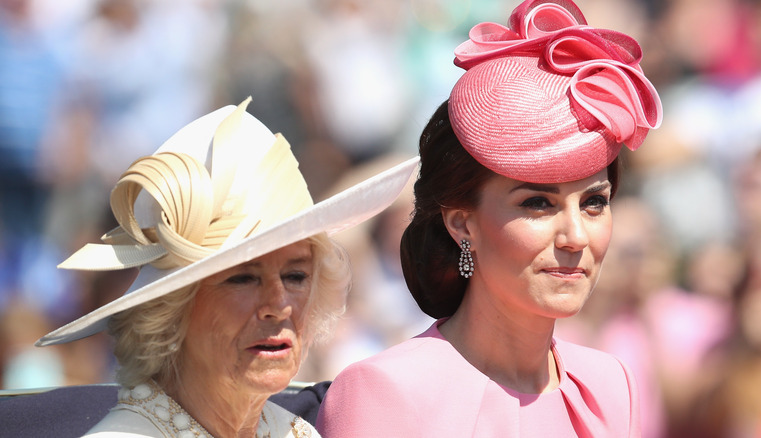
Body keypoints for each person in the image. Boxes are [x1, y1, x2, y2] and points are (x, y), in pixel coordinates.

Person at [316, 0, 662, 436]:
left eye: (594, 203)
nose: (576, 236)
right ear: (462, 223)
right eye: (538, 203)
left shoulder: (610, 384)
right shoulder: (384, 392)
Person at [34, 97, 418, 437]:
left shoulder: (297, 433)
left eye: (296, 275)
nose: (279, 304)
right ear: (170, 312)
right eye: (243, 277)